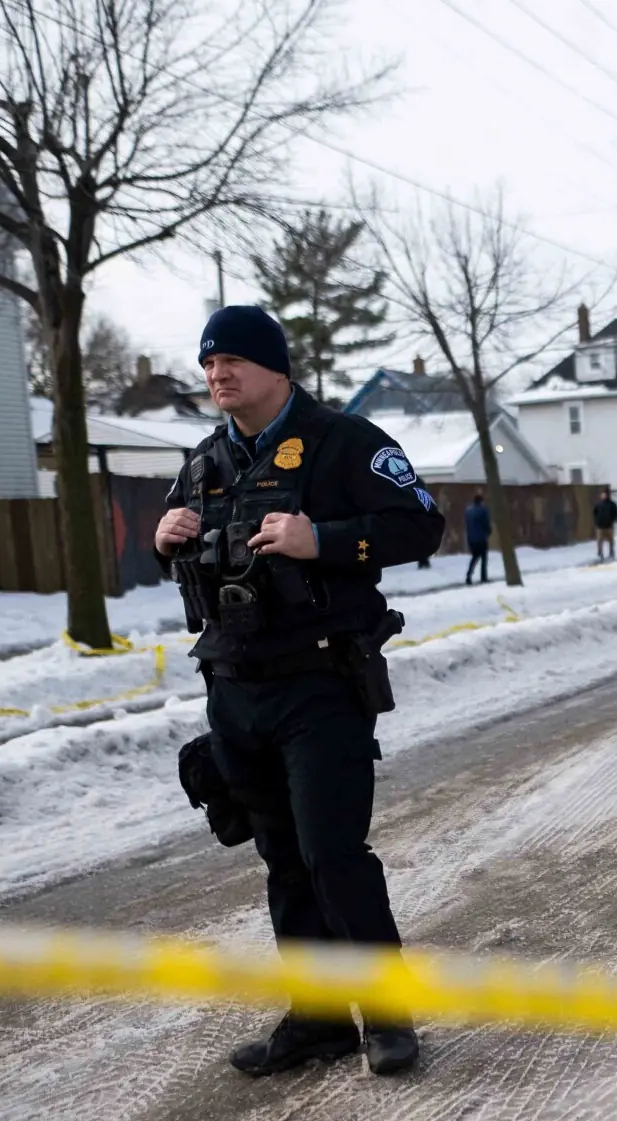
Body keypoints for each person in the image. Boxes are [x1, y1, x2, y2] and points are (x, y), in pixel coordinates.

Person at [154, 305, 443, 1077]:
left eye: (235, 361)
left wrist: (327, 539)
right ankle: (316, 1019)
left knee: (331, 855)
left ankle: (387, 1017)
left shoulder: (344, 443)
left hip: (320, 685)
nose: (219, 374)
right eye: (210, 363)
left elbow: (421, 525)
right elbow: (191, 553)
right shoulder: (207, 460)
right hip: (234, 688)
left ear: (278, 368)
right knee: (281, 858)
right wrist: (164, 540)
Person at [462, 493, 492, 585]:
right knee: (483, 558)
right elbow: (486, 523)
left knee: (474, 557)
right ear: (481, 502)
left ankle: (468, 576)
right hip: (481, 538)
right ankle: (483, 577)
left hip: (471, 538)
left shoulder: (468, 510)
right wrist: (488, 531)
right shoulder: (483, 510)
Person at [592, 487, 617, 561]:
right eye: (603, 494)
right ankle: (600, 552)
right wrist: (597, 521)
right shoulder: (598, 504)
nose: (604, 496)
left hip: (609, 525)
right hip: (600, 526)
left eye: (606, 494)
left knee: (611, 540)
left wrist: (613, 520)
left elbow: (616, 513)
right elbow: (595, 513)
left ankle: (611, 551)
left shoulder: (612, 504)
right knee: (600, 540)